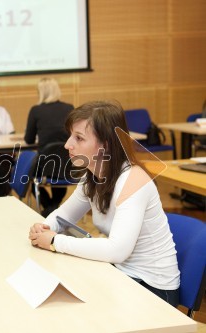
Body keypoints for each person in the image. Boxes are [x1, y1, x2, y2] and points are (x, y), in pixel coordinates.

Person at [28, 100, 180, 306]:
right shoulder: (92, 175)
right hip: (121, 273)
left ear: (106, 145)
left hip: (153, 288)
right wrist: (46, 227)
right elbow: (63, 216)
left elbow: (117, 250)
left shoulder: (133, 179)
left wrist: (55, 242)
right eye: (71, 135)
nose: (67, 144)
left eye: (79, 138)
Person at [24, 78, 74, 217]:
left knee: (29, 177)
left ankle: (48, 210)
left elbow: (28, 139)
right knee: (60, 176)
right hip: (68, 164)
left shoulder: (36, 110)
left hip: (45, 164)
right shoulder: (69, 108)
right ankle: (53, 209)